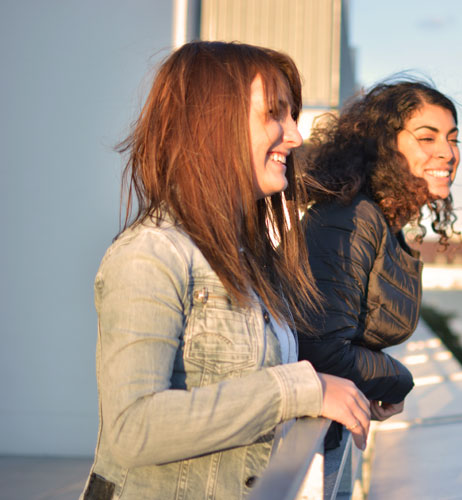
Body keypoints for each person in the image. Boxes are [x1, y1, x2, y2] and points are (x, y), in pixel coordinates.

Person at [80, 41, 370, 500]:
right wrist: (297, 390)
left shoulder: (250, 258)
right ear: (214, 123)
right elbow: (132, 428)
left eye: (292, 116)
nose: (295, 136)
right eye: (276, 114)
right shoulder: (151, 254)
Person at [298, 80, 461, 447]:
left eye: (453, 138)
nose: (447, 152)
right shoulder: (351, 217)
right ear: (385, 145)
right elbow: (321, 351)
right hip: (299, 449)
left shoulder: (383, 223)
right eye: (428, 138)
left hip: (328, 430)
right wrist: (398, 380)